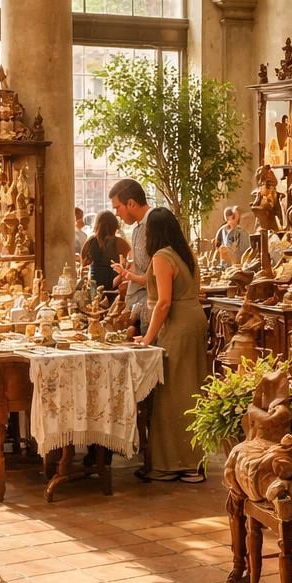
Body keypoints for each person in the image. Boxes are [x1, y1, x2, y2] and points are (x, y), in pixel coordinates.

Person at [120, 206, 208, 482]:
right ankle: (194, 459)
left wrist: (148, 338)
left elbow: (164, 302)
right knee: (192, 386)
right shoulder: (185, 252)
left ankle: (178, 463)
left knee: (174, 393)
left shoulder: (161, 256)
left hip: (178, 324)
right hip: (194, 319)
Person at [109, 178, 151, 331]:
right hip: (139, 311)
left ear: (131, 203)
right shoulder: (136, 229)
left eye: (118, 208)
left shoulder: (155, 224)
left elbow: (155, 276)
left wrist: (127, 274)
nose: (116, 214)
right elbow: (141, 267)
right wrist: (126, 270)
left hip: (151, 311)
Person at [80, 210, 130, 298]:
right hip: (114, 285)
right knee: (111, 309)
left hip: (94, 286)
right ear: (115, 225)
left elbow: (83, 263)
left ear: (97, 225)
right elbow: (129, 263)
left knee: (94, 308)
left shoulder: (91, 241)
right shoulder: (120, 243)